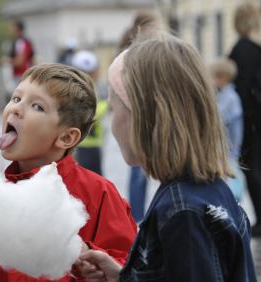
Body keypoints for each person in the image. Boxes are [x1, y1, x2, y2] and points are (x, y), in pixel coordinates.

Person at [79, 33, 256, 281]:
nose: (110, 118)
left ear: (141, 117)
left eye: (114, 107)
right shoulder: (210, 191)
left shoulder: (182, 214)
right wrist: (123, 276)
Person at [0, 63, 137, 281]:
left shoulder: (99, 193)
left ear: (66, 137)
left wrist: (84, 255)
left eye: (37, 107)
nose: (16, 108)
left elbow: (129, 266)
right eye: (16, 98)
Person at [118, 10, 159, 222]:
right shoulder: (139, 49)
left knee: (139, 167)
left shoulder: (130, 46)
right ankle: (138, 216)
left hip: (134, 111)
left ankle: (137, 215)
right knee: (140, 167)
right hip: (140, 111)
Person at [229, 3, 261, 236]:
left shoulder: (241, 50)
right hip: (255, 118)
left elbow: (243, 88)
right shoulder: (254, 49)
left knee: (252, 168)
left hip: (250, 120)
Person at [209, 58, 246, 202]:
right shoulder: (225, 95)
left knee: (229, 185)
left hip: (228, 151)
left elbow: (218, 117)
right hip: (226, 150)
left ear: (222, 78)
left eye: (212, 77)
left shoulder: (229, 97)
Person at [71, 50, 109, 175]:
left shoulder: (87, 86)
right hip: (86, 144)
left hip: (91, 143)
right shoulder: (83, 88)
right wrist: (108, 104)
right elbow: (90, 113)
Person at [5, 20, 35, 86]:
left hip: (22, 75)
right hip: (21, 75)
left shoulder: (21, 42)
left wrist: (7, 61)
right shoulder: (18, 41)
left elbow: (20, 61)